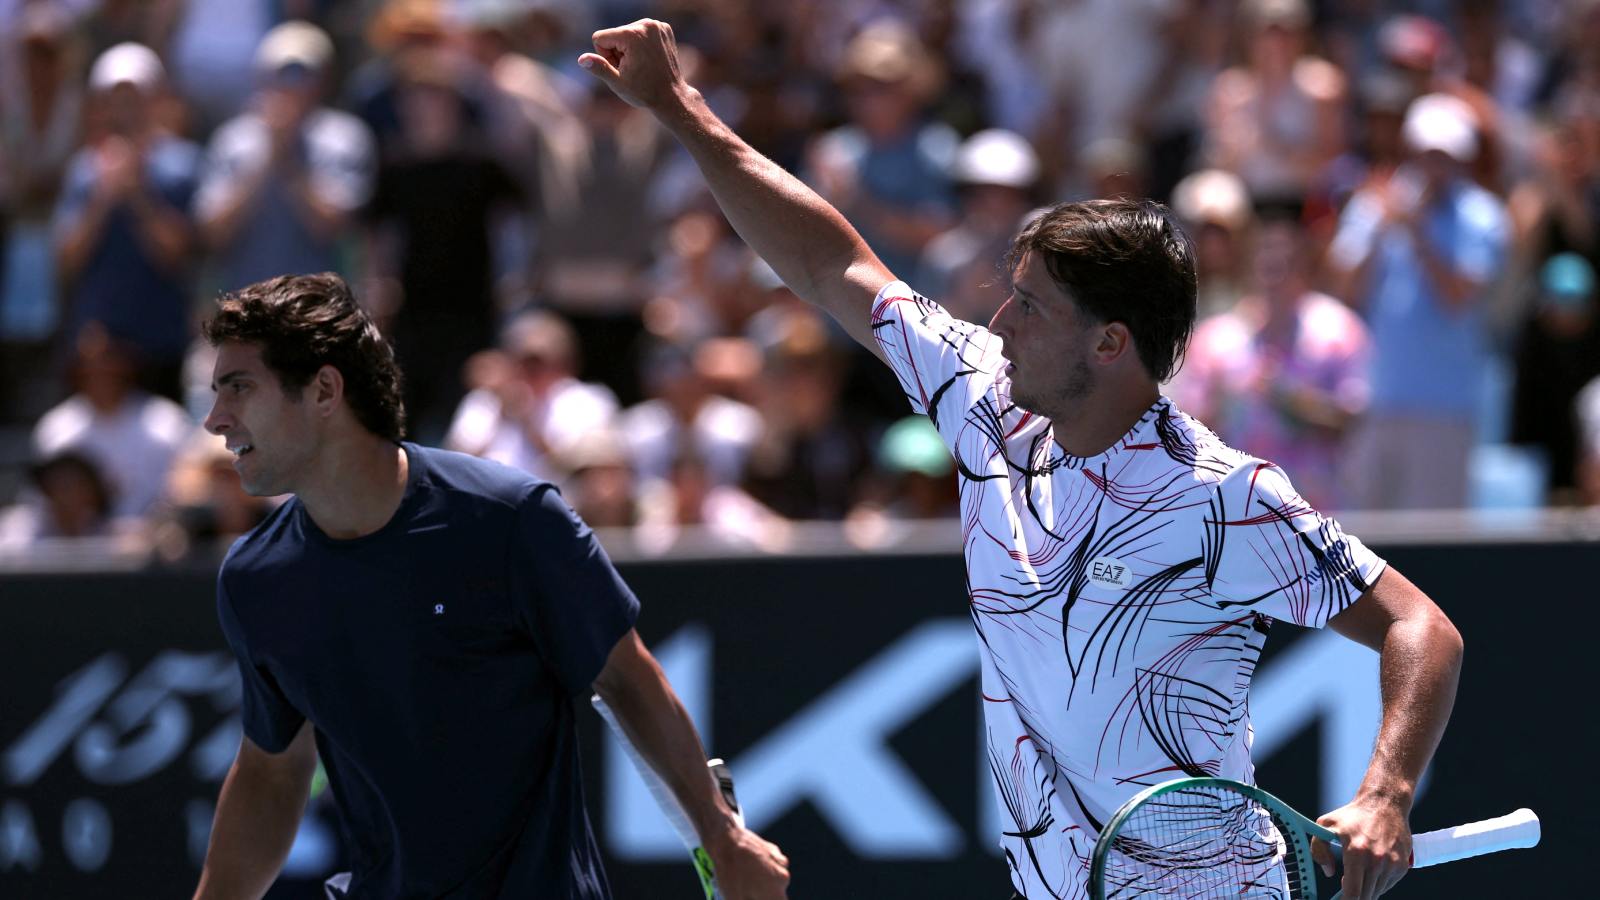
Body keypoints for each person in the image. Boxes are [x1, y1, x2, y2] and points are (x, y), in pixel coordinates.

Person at [579, 20, 1463, 899]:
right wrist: (682, 109)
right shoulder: (982, 399)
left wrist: (1386, 794)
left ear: (1111, 343)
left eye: (1031, 308)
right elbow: (827, 262)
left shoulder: (1223, 499)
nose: (999, 326)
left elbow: (1420, 628)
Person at [190, 273, 788, 900]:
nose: (214, 420)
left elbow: (627, 678)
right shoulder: (255, 578)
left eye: (239, 388)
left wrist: (721, 835)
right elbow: (271, 772)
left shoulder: (511, 520)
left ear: (324, 390)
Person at [195, 20, 376, 292]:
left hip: (318, 308)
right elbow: (214, 233)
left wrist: (289, 161)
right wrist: (266, 158)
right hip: (247, 303)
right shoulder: (232, 140)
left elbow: (333, 228)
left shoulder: (345, 138)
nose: (292, 85)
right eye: (282, 74)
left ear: (324, 79)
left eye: (303, 74)